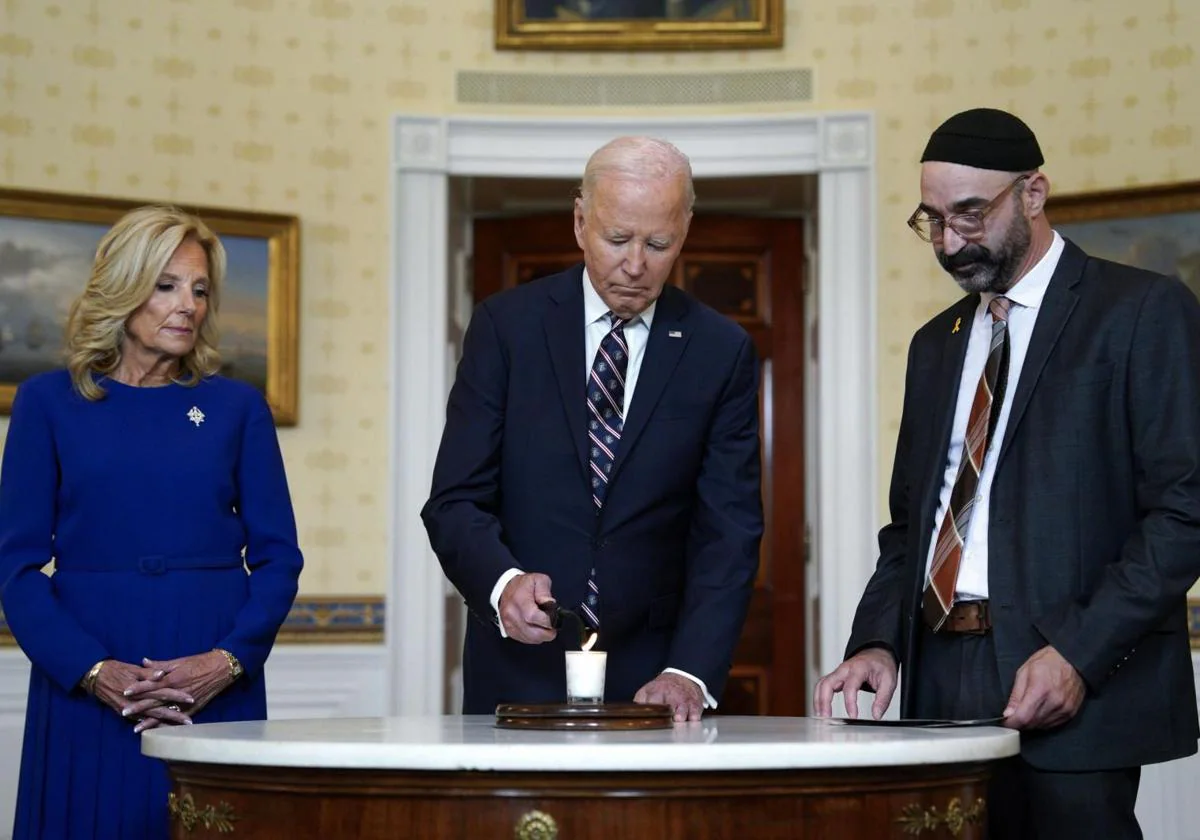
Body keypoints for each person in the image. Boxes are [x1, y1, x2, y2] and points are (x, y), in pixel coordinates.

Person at [814, 108, 1200, 839]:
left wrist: (1079, 656)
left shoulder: (1142, 312)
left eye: (968, 215)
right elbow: (912, 531)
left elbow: (1186, 512)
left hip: (1076, 681)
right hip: (939, 682)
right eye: (931, 219)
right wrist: (875, 643)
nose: (949, 242)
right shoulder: (936, 345)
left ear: (1033, 193)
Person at [422, 136, 763, 721]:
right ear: (580, 222)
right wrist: (502, 584)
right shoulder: (506, 329)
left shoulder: (720, 350)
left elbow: (727, 532)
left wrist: (690, 670)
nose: (636, 265)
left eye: (658, 243)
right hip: (519, 668)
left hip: (656, 677)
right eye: (616, 239)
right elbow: (455, 500)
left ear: (684, 231)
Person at [0, 205, 304, 839]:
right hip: (85, 669)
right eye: (166, 285)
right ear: (123, 288)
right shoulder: (47, 403)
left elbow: (278, 557)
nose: (187, 305)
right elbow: (16, 566)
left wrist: (227, 661)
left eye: (199, 289)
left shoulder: (237, 407)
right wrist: (90, 669)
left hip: (215, 666)